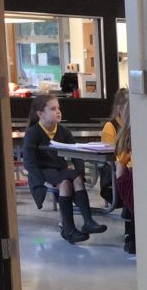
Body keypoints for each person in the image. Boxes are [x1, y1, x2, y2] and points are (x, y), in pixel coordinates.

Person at [20, 94, 107, 244]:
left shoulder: (63, 131)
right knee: (65, 183)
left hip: (59, 169)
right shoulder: (33, 133)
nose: (58, 112)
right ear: (40, 114)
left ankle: (88, 221)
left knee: (77, 179)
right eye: (53, 109)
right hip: (43, 171)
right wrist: (43, 181)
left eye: (58, 108)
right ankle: (68, 229)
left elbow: (76, 153)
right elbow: (29, 163)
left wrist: (80, 172)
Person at [113, 98, 135, 255]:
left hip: (128, 178)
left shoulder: (124, 135)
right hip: (134, 179)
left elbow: (120, 168)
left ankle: (133, 241)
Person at [100, 87, 130, 205]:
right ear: (119, 109)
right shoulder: (111, 126)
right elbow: (112, 156)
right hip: (117, 170)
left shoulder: (135, 126)